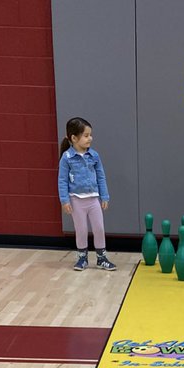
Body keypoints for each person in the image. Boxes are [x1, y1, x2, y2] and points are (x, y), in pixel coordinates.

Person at [58, 116, 115, 271]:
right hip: (76, 201)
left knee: (99, 228)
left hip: (93, 199)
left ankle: (101, 258)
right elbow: (62, 180)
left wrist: (105, 196)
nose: (90, 138)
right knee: (81, 230)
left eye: (90, 135)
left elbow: (101, 176)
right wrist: (65, 201)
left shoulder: (94, 156)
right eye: (86, 135)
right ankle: (82, 258)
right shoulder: (67, 158)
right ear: (74, 138)